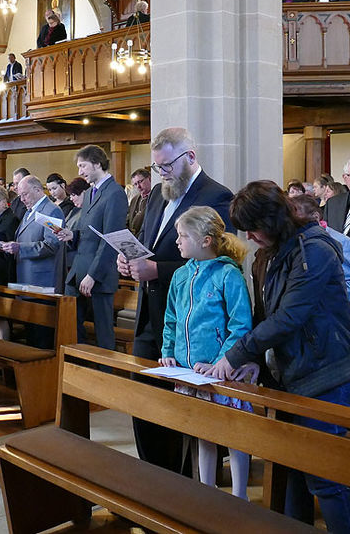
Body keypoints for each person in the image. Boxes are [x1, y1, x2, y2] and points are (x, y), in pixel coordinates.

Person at [197, 181, 350, 534]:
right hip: (290, 374)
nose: (250, 237)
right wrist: (251, 359)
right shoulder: (266, 255)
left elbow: (290, 317)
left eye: (254, 229)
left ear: (271, 220)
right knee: (289, 470)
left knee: (324, 478)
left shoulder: (314, 251)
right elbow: (264, 313)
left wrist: (236, 354)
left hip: (325, 373)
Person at [117, 127, 234, 475]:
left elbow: (215, 260)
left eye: (167, 165)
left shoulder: (216, 196)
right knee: (145, 396)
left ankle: (179, 482)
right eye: (157, 167)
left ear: (190, 158)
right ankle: (153, 474)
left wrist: (157, 270)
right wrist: (124, 259)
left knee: (180, 406)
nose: (163, 173)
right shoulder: (156, 195)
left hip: (191, 320)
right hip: (149, 314)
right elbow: (142, 239)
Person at [160, 206, 252, 498]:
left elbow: (241, 325)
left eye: (183, 236)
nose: (177, 241)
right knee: (204, 433)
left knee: (234, 434)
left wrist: (219, 362)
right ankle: (206, 491)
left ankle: (239, 495)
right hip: (189, 372)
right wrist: (168, 352)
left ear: (206, 240)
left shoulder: (228, 274)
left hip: (221, 373)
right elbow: (171, 320)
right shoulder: (179, 276)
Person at [56, 145, 128, 349]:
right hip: (79, 270)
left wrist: (93, 275)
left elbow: (110, 239)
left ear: (97, 163)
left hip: (99, 275)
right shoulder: (88, 194)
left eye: (83, 166)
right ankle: (77, 372)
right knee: (71, 329)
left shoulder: (115, 193)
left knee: (103, 334)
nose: (80, 172)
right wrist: (72, 235)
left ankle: (105, 377)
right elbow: (89, 233)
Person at [292, 194, 350, 343]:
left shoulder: (341, 243)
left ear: (315, 217)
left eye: (298, 220)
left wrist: (311, 293)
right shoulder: (296, 242)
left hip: (337, 329)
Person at [0, 176, 64, 348]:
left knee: (41, 338)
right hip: (26, 280)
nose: (22, 199)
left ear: (38, 190)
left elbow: (52, 245)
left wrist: (20, 248)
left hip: (42, 282)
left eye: (25, 194)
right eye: (20, 195)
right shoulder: (29, 212)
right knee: (30, 336)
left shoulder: (51, 211)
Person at [126, 167, 152, 235]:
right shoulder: (134, 199)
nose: (138, 186)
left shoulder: (156, 198)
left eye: (140, 182)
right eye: (135, 184)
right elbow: (128, 220)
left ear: (149, 179)